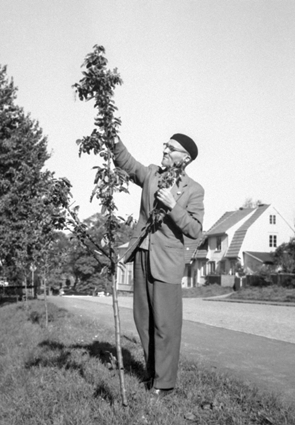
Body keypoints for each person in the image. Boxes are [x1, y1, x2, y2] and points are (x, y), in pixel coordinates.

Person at [113, 133, 204, 399]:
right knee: (143, 320)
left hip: (167, 262)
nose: (164, 149)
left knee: (166, 325)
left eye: (171, 148)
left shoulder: (193, 190)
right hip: (142, 255)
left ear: (184, 158)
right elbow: (128, 164)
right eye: (165, 144)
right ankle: (153, 373)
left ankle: (164, 385)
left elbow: (195, 230)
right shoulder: (152, 174)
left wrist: (174, 206)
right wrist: (114, 139)